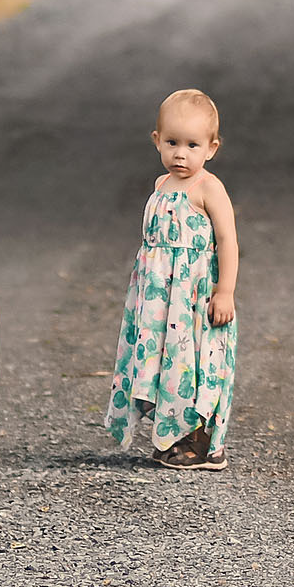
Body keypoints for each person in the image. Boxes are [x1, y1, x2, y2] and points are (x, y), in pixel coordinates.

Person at [103, 89, 240, 470]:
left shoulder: (208, 188)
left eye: (193, 145)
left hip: (193, 297)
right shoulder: (161, 185)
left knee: (194, 360)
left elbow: (227, 239)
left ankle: (202, 440)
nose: (181, 153)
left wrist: (224, 290)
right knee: (167, 361)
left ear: (211, 148)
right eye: (172, 143)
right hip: (160, 298)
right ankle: (173, 430)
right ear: (156, 141)